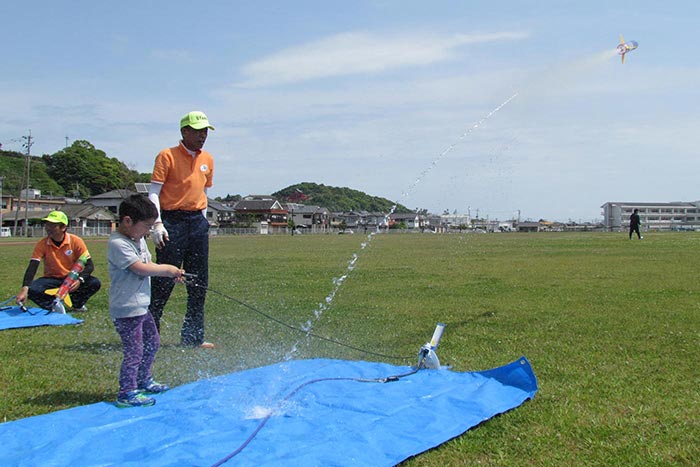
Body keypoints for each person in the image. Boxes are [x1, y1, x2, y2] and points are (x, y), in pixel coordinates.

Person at [108, 194, 184, 407]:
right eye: (146, 226)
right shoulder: (117, 243)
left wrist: (173, 273)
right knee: (135, 350)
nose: (148, 231)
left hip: (141, 306)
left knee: (152, 342)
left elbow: (148, 263)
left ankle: (143, 379)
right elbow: (140, 268)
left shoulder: (138, 240)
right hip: (126, 308)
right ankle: (127, 391)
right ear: (127, 221)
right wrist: (167, 270)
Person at [148, 110, 215, 348]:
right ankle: (150, 335)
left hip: (197, 222)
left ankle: (193, 337)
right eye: (197, 131)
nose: (202, 136)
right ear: (184, 131)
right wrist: (157, 223)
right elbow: (154, 192)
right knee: (164, 280)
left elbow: (204, 192)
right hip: (172, 222)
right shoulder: (166, 156)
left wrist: (204, 219)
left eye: (205, 131)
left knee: (198, 282)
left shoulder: (207, 159)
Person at [15, 210, 101, 312]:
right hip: (52, 278)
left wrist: (79, 280)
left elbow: (89, 265)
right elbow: (33, 266)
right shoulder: (42, 244)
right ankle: (53, 306)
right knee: (32, 289)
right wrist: (25, 289)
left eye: (53, 225)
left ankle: (76, 304)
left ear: (63, 227)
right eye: (47, 224)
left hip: (71, 278)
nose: (48, 228)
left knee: (94, 283)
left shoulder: (76, 241)